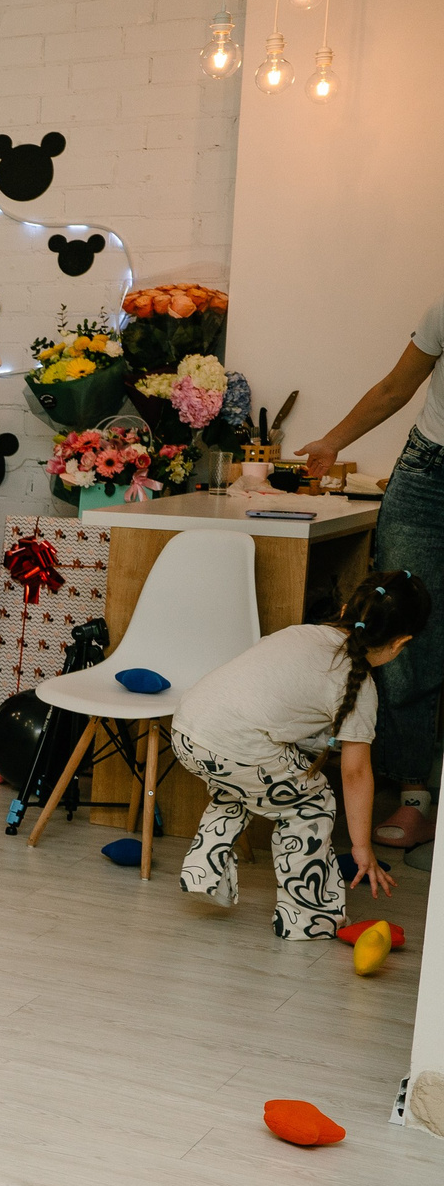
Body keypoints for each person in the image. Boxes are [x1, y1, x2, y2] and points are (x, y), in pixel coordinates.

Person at [170, 571, 429, 940]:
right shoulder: (360, 687)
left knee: (258, 785)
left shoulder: (300, 632)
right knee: (314, 802)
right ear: (400, 643)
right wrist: (361, 847)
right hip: (233, 748)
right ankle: (307, 918)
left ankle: (204, 869)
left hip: (186, 731)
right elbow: (355, 774)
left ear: (346, 608)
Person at [294, 296, 444, 849]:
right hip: (429, 473)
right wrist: (332, 443)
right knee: (403, 627)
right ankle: (413, 795)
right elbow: (393, 389)